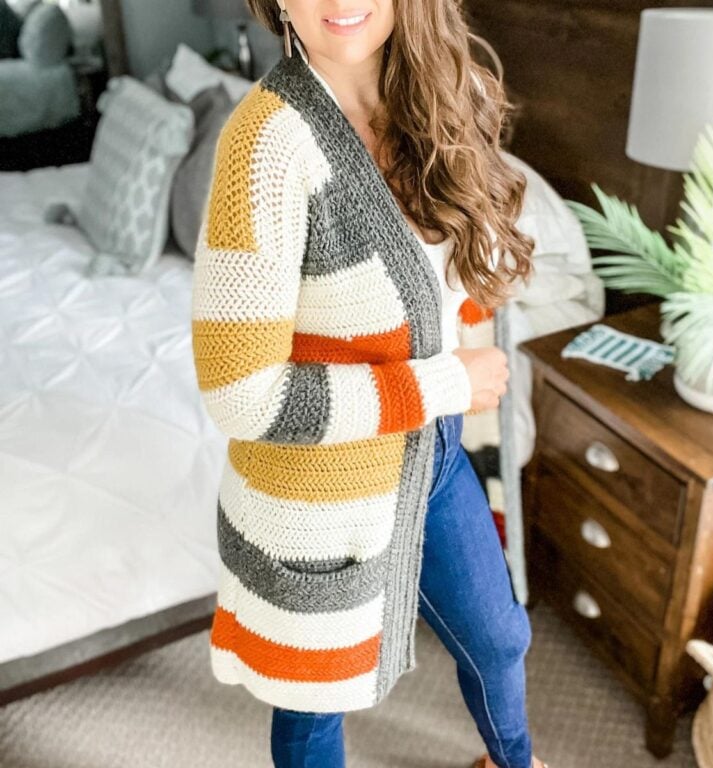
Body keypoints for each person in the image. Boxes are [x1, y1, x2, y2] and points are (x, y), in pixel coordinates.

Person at [190, 1, 549, 767]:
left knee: (498, 637)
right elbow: (241, 394)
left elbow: (438, 281)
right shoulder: (266, 146)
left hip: (432, 454)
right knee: (319, 698)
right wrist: (447, 382)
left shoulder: (441, 97)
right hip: (315, 494)